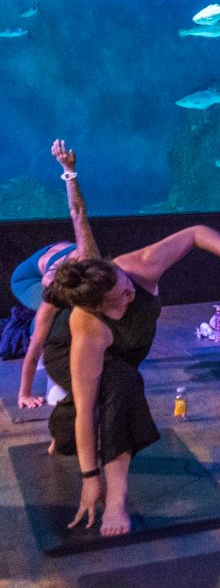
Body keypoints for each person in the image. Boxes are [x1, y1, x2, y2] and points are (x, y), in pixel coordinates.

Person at [43, 225, 220, 536]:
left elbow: (195, 234)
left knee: (108, 391)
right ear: (99, 308)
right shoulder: (87, 326)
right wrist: (90, 479)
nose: (131, 293)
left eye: (126, 285)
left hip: (129, 346)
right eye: (121, 296)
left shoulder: (139, 266)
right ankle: (116, 501)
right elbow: (86, 409)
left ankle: (60, 435)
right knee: (117, 389)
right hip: (65, 352)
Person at [16, 141, 99, 410]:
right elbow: (33, 349)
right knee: (49, 320)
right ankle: (49, 361)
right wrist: (24, 395)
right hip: (28, 276)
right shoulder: (55, 290)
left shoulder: (93, 261)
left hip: (62, 259)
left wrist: (69, 170)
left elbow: (78, 212)